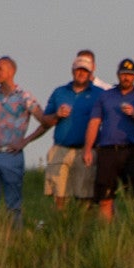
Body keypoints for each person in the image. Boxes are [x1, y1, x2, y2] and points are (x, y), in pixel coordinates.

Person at [83, 58, 134, 222]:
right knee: (105, 195)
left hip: (131, 151)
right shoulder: (106, 96)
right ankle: (106, 231)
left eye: (130, 75)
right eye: (124, 74)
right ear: (118, 75)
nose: (126, 78)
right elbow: (95, 122)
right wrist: (88, 148)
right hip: (108, 150)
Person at [42, 52, 102, 210]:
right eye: (78, 70)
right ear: (73, 70)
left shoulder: (99, 94)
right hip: (61, 148)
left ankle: (82, 229)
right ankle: (61, 227)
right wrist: (57, 115)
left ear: (90, 73)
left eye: (85, 71)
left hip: (85, 150)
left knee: (85, 195)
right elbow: (45, 120)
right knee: (59, 195)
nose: (81, 73)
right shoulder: (60, 92)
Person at [0, 56, 44, 220]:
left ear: (11, 71)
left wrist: (26, 141)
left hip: (11, 155)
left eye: (0, 69)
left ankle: (15, 238)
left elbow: (44, 121)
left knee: (13, 202)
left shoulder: (24, 97)